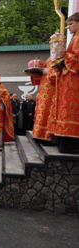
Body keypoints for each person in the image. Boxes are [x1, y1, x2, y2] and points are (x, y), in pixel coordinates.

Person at [47, 13, 79, 153]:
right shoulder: (74, 38)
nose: (68, 27)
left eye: (71, 24)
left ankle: (71, 143)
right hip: (68, 79)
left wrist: (64, 59)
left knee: (72, 110)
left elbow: (76, 58)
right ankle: (62, 140)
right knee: (64, 108)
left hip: (75, 80)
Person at [33, 58, 56, 142]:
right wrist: (34, 73)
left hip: (52, 92)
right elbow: (41, 76)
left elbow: (60, 73)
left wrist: (48, 71)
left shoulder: (60, 57)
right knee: (41, 112)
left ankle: (46, 135)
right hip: (43, 91)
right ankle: (39, 134)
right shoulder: (48, 60)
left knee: (47, 113)